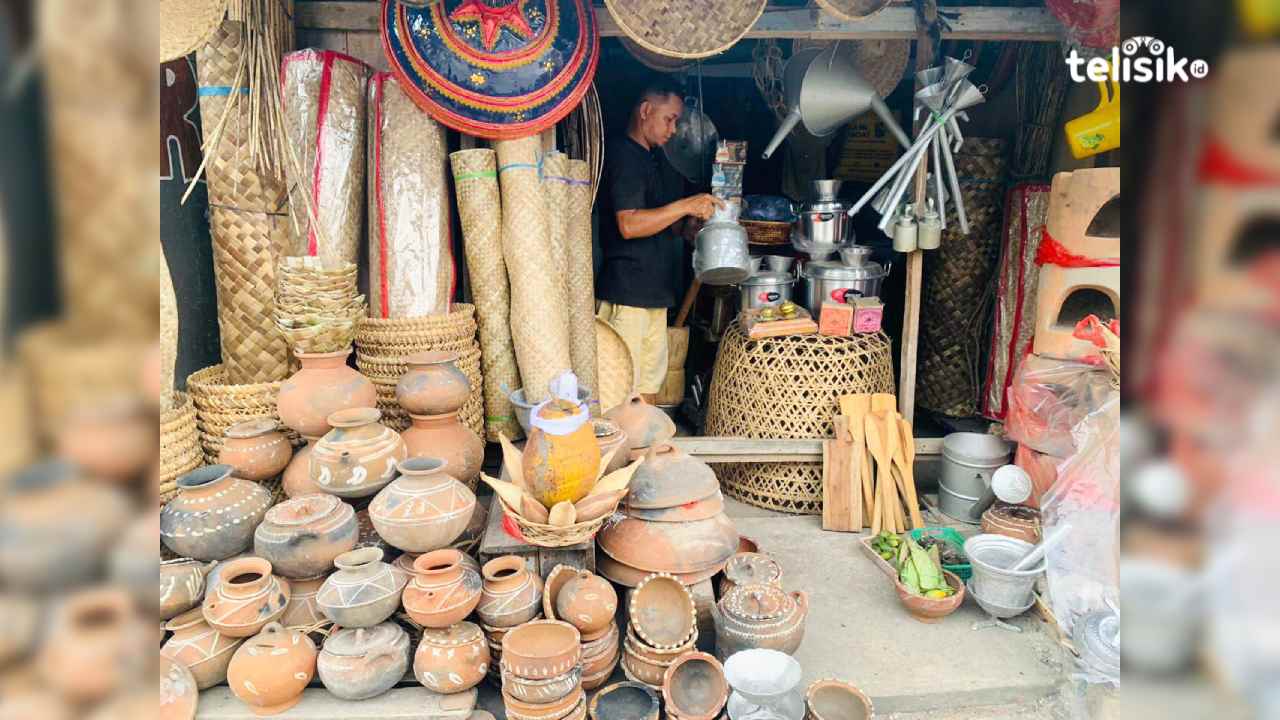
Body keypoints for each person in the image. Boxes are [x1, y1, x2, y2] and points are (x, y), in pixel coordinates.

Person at [596, 77, 723, 404]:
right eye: (669, 119)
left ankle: (647, 452)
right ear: (645, 111)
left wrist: (687, 227)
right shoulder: (623, 157)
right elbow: (629, 225)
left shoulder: (655, 159)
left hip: (655, 296)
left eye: (677, 121)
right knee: (622, 395)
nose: (673, 129)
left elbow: (661, 223)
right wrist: (685, 205)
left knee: (649, 391)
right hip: (628, 296)